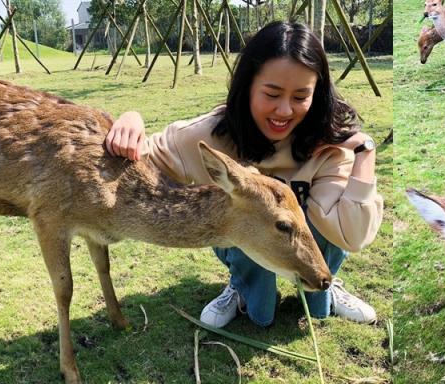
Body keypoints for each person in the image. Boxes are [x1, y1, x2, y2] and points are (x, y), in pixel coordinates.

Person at [104, 21, 383, 327]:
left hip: (310, 241)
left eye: (301, 96)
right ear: (248, 85)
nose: (285, 111)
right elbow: (143, 155)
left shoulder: (327, 142)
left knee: (319, 280)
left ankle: (331, 284)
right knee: (260, 309)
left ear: (317, 94)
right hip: (246, 243)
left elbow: (353, 236)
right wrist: (131, 118)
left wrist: (364, 151)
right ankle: (240, 286)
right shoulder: (207, 136)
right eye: (272, 94)